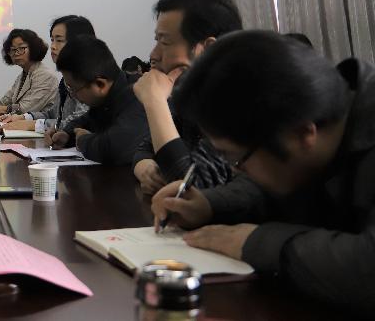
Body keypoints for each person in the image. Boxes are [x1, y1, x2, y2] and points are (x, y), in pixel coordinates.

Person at [151, 31, 375, 316]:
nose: (235, 169)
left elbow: (368, 268)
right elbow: (269, 184)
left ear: (302, 133)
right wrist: (209, 205)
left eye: (236, 158)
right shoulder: (316, 124)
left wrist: (256, 242)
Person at [131, 0, 243, 195]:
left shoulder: (240, 102)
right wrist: (146, 167)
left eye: (165, 42)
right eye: (156, 41)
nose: (153, 55)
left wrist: (155, 102)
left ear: (207, 49)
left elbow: (192, 191)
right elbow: (145, 148)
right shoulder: (195, 98)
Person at [46, 36, 148, 165]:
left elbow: (116, 148)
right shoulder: (107, 97)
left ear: (100, 84)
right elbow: (87, 120)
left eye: (74, 89)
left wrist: (83, 140)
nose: (74, 96)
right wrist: (67, 134)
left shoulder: (139, 93)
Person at [0, 15, 94, 133]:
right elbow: (52, 114)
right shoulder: (66, 80)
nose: (53, 46)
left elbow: (79, 123)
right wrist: (24, 117)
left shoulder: (90, 79)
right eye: (52, 40)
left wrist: (33, 125)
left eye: (59, 40)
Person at [0, 28, 56, 115]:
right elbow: (5, 101)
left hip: (40, 123)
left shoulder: (45, 75)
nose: (16, 53)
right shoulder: (23, 76)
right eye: (13, 50)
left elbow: (26, 109)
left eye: (21, 48)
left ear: (34, 48)